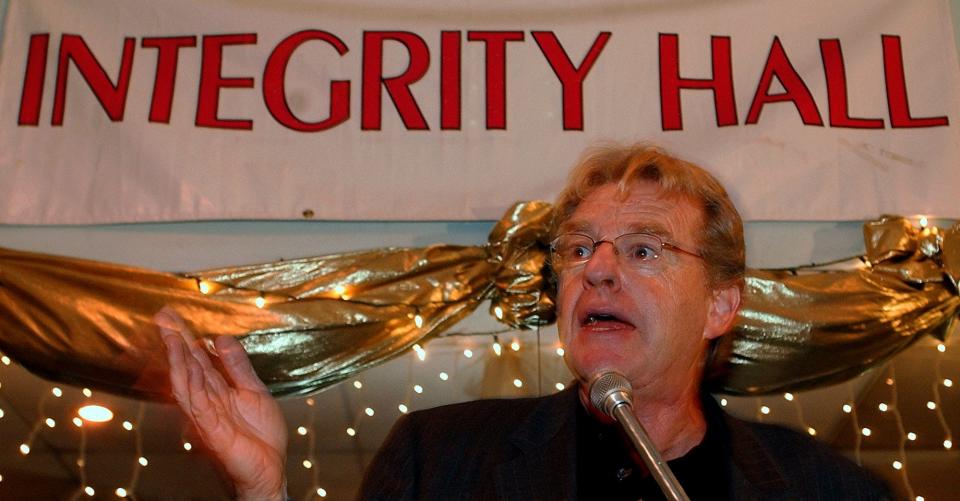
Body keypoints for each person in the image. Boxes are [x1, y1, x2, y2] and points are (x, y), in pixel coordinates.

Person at [160, 143, 891, 500]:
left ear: (722, 304)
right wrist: (266, 492)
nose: (597, 269)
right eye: (578, 248)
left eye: (643, 247)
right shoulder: (437, 460)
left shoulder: (826, 488)